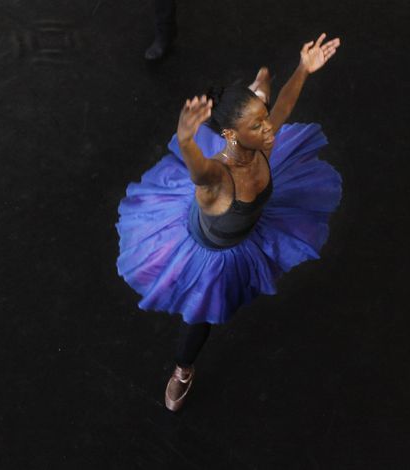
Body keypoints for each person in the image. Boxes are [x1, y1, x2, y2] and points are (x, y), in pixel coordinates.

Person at [116, 34, 342, 411]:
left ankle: (261, 81)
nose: (269, 129)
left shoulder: (262, 142)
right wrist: (187, 142)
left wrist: (303, 67)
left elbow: (283, 107)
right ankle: (183, 370)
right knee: (202, 315)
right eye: (258, 124)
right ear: (230, 135)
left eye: (263, 120)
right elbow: (201, 171)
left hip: (246, 224)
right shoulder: (217, 181)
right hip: (211, 249)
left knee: (270, 95)